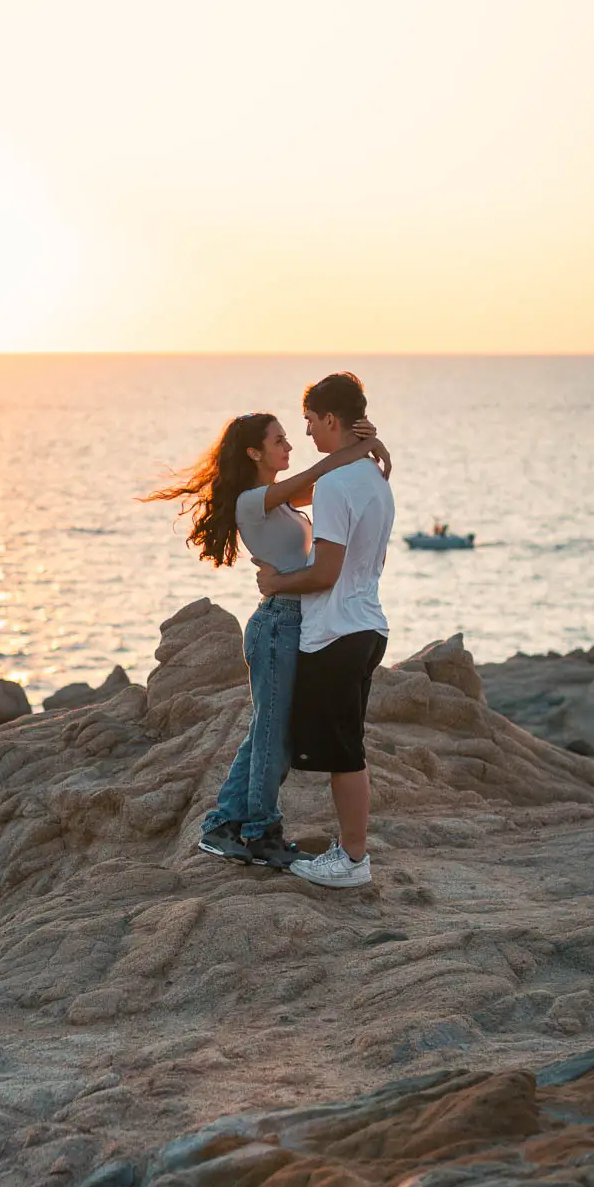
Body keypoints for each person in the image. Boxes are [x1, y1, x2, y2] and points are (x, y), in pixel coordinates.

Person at [145, 407, 389, 869]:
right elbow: (323, 470)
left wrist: (367, 447)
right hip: (278, 623)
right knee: (274, 735)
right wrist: (361, 446)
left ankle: (223, 824)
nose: (290, 446)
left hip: (296, 623)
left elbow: (341, 483)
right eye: (279, 441)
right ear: (254, 451)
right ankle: (259, 831)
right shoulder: (251, 501)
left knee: (267, 729)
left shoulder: (283, 502)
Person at [255, 372, 395, 887]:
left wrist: (275, 583)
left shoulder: (339, 484)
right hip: (366, 625)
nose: (308, 433)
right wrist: (366, 444)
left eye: (311, 422)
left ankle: (353, 861)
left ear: (331, 420)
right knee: (346, 749)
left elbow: (326, 571)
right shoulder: (373, 477)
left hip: (337, 633)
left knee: (344, 755)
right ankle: (350, 852)